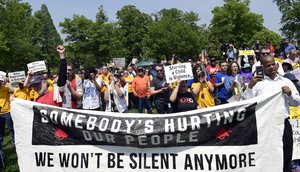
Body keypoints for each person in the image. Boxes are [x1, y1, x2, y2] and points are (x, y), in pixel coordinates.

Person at [242, 55, 300, 172]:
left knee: (286, 155)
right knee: (266, 158)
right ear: (262, 67)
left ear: (277, 64)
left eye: (273, 64)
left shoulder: (286, 81)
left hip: (283, 124)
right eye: (268, 65)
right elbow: (245, 103)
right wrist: (250, 86)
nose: (272, 67)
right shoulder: (257, 84)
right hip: (264, 126)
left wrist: (290, 94)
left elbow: (296, 103)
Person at [0, 74, 14, 158]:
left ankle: (14, 143)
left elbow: (12, 90)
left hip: (7, 112)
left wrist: (7, 81)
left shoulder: (5, 88)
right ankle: (1, 151)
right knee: (0, 133)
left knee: (11, 128)